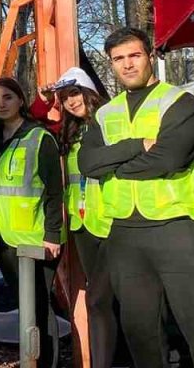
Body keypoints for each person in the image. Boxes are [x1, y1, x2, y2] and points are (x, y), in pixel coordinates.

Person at [78, 27, 194, 368]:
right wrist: (135, 147)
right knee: (141, 336)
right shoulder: (105, 114)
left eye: (134, 55)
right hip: (125, 236)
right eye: (119, 59)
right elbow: (87, 163)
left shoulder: (180, 102)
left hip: (179, 228)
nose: (127, 65)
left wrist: (114, 164)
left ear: (149, 56)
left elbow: (168, 159)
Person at [43, 67, 121, 368]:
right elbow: (35, 120)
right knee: (100, 300)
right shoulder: (70, 130)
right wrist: (44, 97)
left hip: (113, 221)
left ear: (88, 91)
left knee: (100, 299)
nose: (70, 101)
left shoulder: (109, 120)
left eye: (74, 93)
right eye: (63, 98)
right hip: (83, 223)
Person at [0, 77, 64, 368]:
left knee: (40, 308)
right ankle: (30, 359)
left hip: (37, 238)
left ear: (20, 100)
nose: (1, 104)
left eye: (8, 97)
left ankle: (46, 363)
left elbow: (55, 191)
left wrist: (53, 234)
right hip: (6, 240)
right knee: (25, 306)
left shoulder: (40, 137)